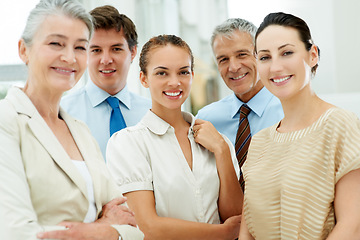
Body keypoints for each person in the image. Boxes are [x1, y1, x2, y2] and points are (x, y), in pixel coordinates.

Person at [0, 0, 144, 239]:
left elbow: (133, 229)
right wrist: (100, 230)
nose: (69, 57)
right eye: (56, 43)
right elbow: (15, 232)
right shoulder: (6, 120)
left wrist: (106, 231)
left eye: (80, 47)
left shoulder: (80, 131)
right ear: (24, 50)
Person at [106, 34, 243, 240]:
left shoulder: (217, 141)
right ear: (144, 78)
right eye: (162, 73)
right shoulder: (128, 143)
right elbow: (147, 226)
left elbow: (235, 216)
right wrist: (222, 233)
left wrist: (222, 151)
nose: (174, 82)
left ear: (192, 75)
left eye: (183, 72)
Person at [239, 12, 360, 239]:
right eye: (265, 57)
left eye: (287, 53)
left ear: (312, 55)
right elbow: (247, 228)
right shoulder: (260, 141)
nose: (275, 67)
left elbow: (353, 226)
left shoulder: (339, 125)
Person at [196, 18, 283, 190]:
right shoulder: (206, 119)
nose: (233, 67)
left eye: (242, 54)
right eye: (223, 59)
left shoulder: (289, 111)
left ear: (261, 55)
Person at [61, 5, 151, 159]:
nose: (106, 60)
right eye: (96, 50)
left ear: (133, 51)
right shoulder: (63, 114)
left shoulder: (151, 112)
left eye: (116, 49)